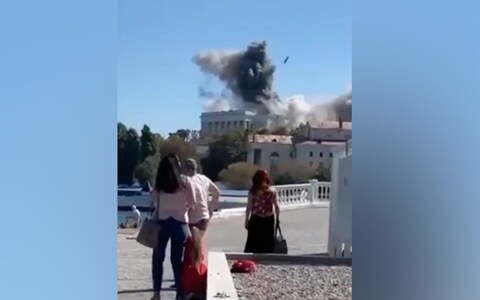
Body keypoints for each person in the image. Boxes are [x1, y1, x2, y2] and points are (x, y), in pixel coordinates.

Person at [150, 153, 197, 300]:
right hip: (180, 224)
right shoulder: (185, 181)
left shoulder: (159, 183)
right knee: (177, 260)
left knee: (158, 258)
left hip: (162, 223)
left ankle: (157, 293)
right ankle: (180, 292)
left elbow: (154, 203)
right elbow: (193, 202)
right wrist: (183, 209)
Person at [244, 169, 280, 254]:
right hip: (269, 219)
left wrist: (246, 219)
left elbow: (249, 206)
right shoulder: (272, 191)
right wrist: (277, 219)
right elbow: (276, 206)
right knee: (267, 240)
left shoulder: (253, 192)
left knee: (253, 241)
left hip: (256, 219)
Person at [184, 158, 220, 233]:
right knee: (198, 241)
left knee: (192, 243)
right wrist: (211, 209)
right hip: (204, 215)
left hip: (192, 218)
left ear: (188, 170)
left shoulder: (187, 181)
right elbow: (216, 192)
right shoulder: (204, 179)